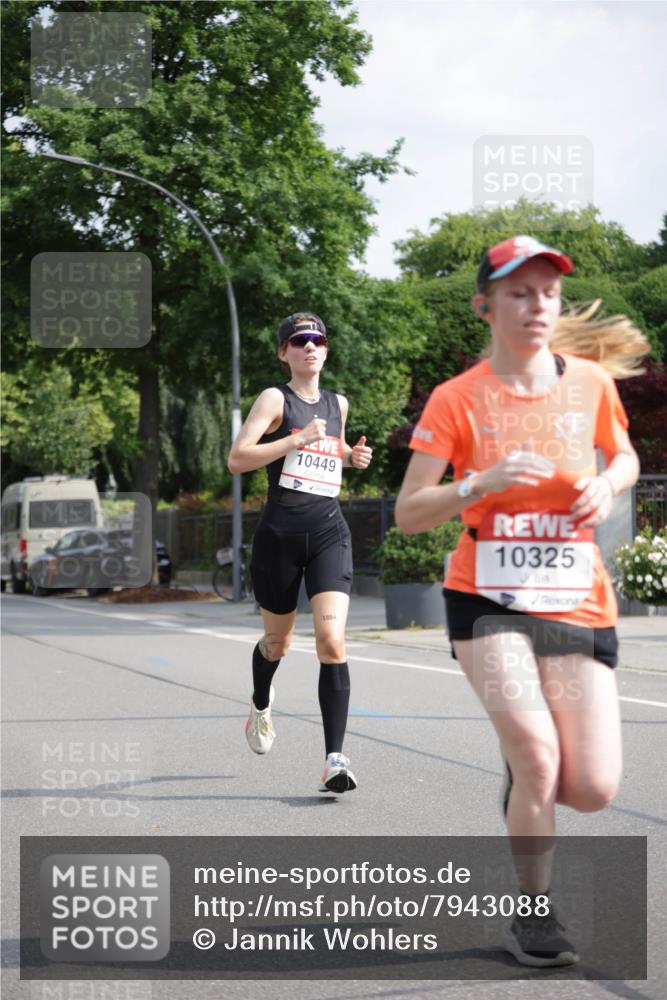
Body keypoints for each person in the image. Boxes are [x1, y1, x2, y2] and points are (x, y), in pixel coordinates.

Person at [395, 235, 650, 967]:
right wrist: (481, 480)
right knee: (539, 756)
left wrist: (609, 483)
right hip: (488, 598)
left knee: (593, 788)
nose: (536, 304)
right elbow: (411, 511)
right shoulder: (457, 399)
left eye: (547, 292)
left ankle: (522, 771)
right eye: (516, 291)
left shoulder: (591, 385)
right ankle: (531, 915)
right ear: (484, 305)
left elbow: (623, 454)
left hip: (574, 599)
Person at [227, 311, 372, 793]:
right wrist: (294, 437)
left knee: (332, 643)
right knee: (279, 644)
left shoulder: (338, 403)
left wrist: (352, 456)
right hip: (280, 539)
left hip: (329, 532)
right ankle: (262, 702)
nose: (310, 347)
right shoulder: (275, 398)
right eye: (299, 340)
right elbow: (238, 458)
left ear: (326, 350)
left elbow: (334, 452)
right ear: (283, 352)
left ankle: (335, 759)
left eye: (318, 340)